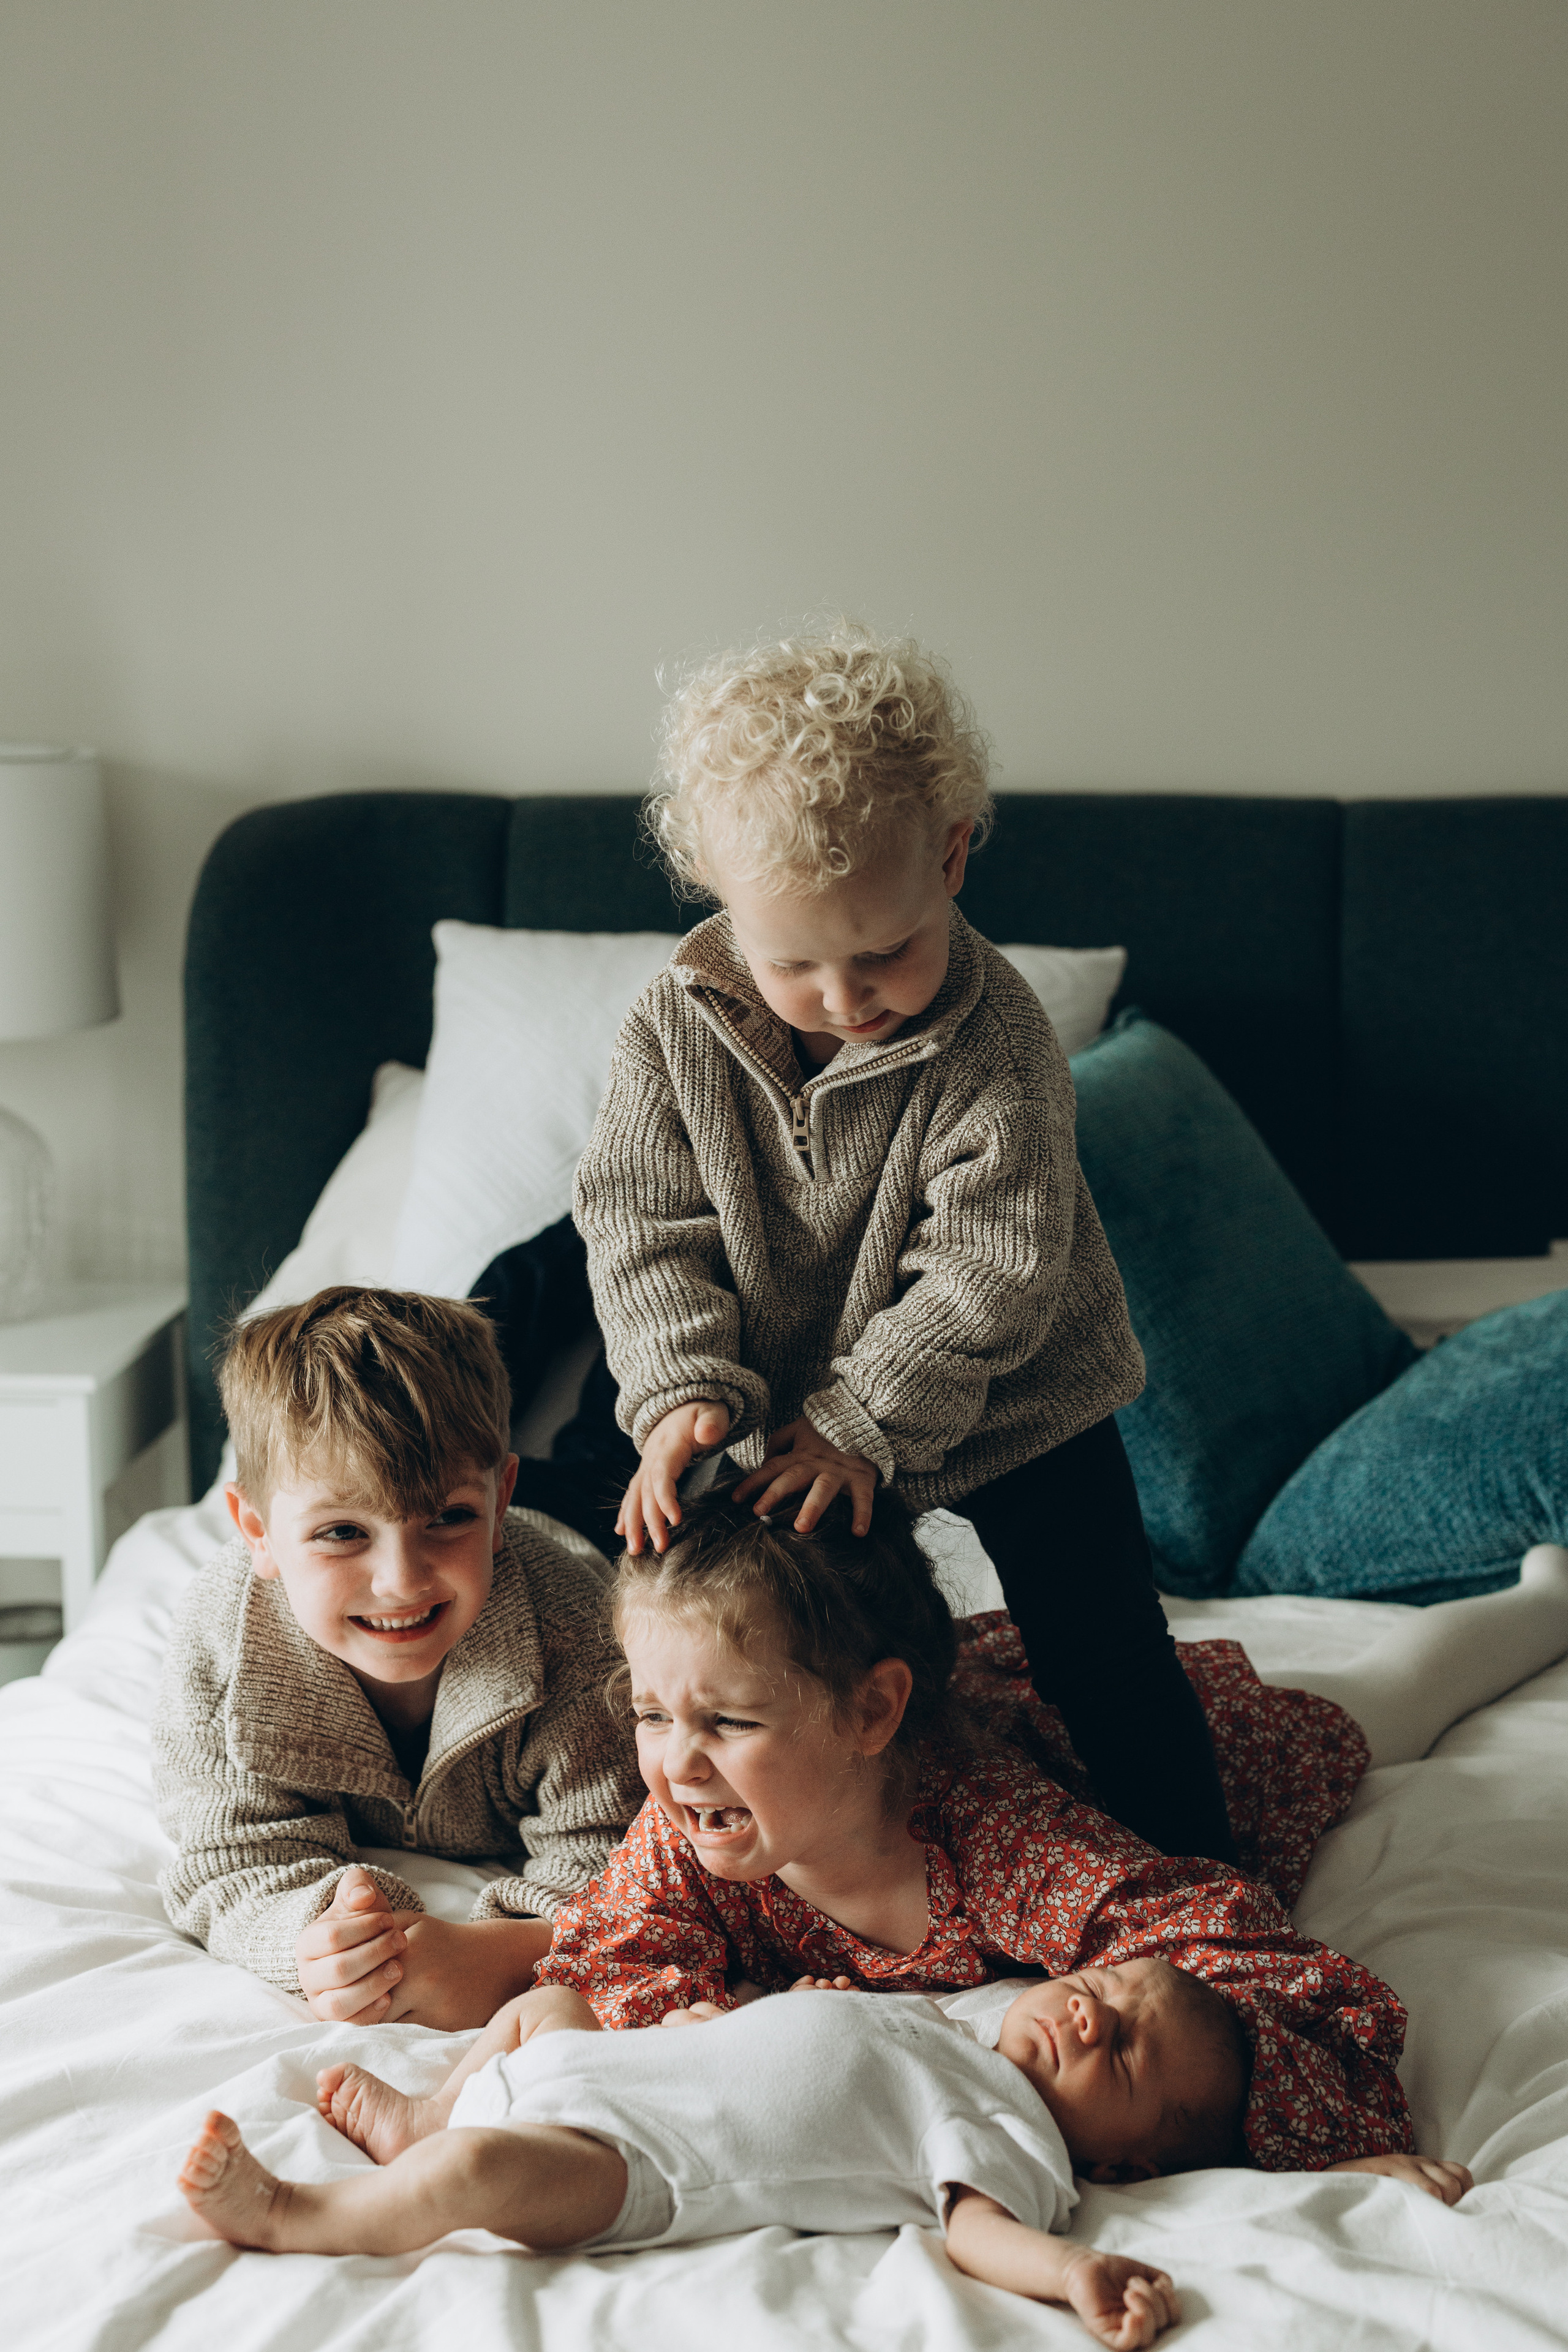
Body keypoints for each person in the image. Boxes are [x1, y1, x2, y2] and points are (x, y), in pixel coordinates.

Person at [573, 620, 1237, 1863]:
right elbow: (638, 1223)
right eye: (795, 964)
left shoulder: (1001, 1045)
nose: (846, 997)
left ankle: (1205, 1887)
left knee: (1101, 1652)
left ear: (950, 855)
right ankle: (790, 1866)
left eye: (884, 951)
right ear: (721, 899)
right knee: (757, 1641)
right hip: (785, 1407)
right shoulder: (668, 1032)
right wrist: (678, 1394)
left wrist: (866, 1417)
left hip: (1015, 1399)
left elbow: (993, 1268)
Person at [530, 1485, 1568, 2172]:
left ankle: (1539, 1602)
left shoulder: (998, 1838)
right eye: (653, 1713)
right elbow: (612, 1954)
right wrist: (692, 2026)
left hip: (1175, 1754)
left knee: (1385, 1701)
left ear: (869, 1714)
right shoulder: (694, 1817)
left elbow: (1243, 1962)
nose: (676, 1759)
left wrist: (1335, 2147)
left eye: (728, 1720)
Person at [177, 1964, 1264, 2345]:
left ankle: (298, 2216)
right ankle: (424, 2115)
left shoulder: (1018, 2140)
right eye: (1098, 1993)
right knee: (549, 2000)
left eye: (1120, 2053)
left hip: (640, 2163)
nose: (1086, 2022)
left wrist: (1073, 2273)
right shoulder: (958, 2027)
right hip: (610, 2069)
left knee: (478, 2180)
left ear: (1125, 2171)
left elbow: (981, 2233)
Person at [151, 1287, 644, 2030]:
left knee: (624, 1460)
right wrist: (317, 1931)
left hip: (572, 1534)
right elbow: (228, 1858)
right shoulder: (221, 1643)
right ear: (256, 1529)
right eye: (342, 1532)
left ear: (499, 1499)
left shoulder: (577, 1629)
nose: (403, 1580)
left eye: (449, 1518)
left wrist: (501, 1951)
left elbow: (616, 1858)